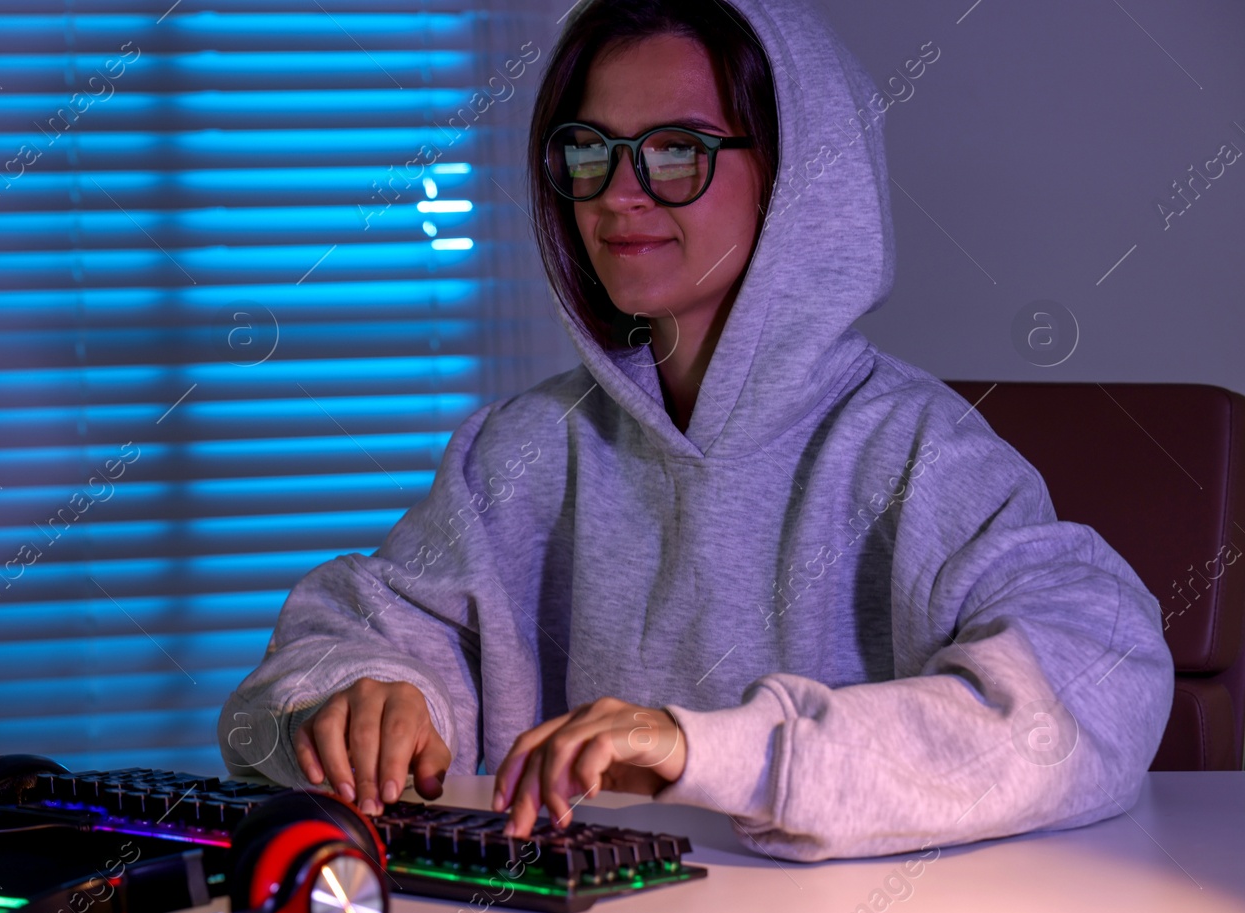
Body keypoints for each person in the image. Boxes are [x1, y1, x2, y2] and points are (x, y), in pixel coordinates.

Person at [216, 0, 1173, 861]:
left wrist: (700, 749)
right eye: (589, 148)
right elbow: (325, 651)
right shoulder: (519, 450)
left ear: (802, 177)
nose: (617, 193)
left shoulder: (918, 454)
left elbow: (1101, 684)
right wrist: (361, 691)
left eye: (677, 149)